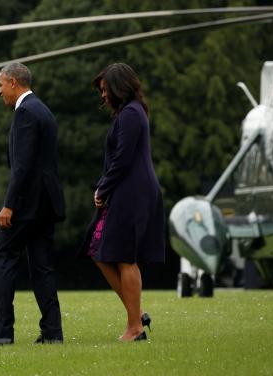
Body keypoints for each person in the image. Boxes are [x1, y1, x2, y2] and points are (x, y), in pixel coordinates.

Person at [0, 62, 66, 347]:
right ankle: (52, 331)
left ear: (13, 82)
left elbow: (22, 166)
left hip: (26, 204)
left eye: (1, 85)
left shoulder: (24, 112)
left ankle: (1, 331)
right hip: (46, 204)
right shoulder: (43, 110)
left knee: (3, 259)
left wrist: (9, 205)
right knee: (42, 266)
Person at [81, 63, 165, 342]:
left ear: (119, 87)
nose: (102, 96)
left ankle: (135, 328)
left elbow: (123, 159)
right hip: (126, 191)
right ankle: (137, 314)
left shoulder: (131, 114)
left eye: (105, 90)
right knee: (97, 248)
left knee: (125, 257)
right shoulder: (130, 113)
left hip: (132, 193)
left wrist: (102, 189)